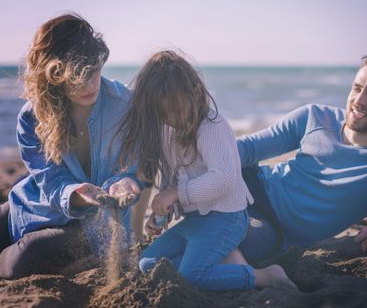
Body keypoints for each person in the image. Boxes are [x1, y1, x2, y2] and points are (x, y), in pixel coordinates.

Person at [236, 53, 367, 264]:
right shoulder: (314, 117)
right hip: (250, 183)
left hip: (272, 228)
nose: (359, 100)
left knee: (226, 241)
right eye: (357, 88)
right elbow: (247, 148)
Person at [117, 50, 295, 291]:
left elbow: (224, 179)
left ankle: (264, 276)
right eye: (164, 113)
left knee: (192, 277)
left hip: (226, 218)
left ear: (195, 93)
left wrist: (177, 193)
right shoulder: (166, 130)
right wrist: (162, 212)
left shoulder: (211, 125)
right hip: (194, 221)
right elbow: (172, 180)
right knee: (148, 263)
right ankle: (219, 264)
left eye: (178, 110)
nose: (174, 118)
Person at [0, 14, 143, 279]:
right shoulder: (31, 116)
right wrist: (77, 193)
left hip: (89, 226)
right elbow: (51, 181)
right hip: (30, 204)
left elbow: (130, 170)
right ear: (53, 75)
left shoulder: (124, 105)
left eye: (94, 71)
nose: (90, 84)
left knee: (20, 261)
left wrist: (125, 184)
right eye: (78, 76)